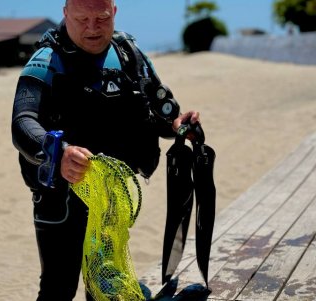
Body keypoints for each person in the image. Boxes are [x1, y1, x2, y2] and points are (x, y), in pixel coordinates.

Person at [11, 0, 200, 300]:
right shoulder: (46, 60)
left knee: (104, 287)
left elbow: (158, 111)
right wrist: (58, 154)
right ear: (66, 14)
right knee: (58, 287)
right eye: (82, 18)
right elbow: (22, 122)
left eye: (101, 17)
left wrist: (178, 124)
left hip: (112, 199)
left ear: (114, 12)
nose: (92, 27)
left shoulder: (129, 54)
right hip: (62, 199)